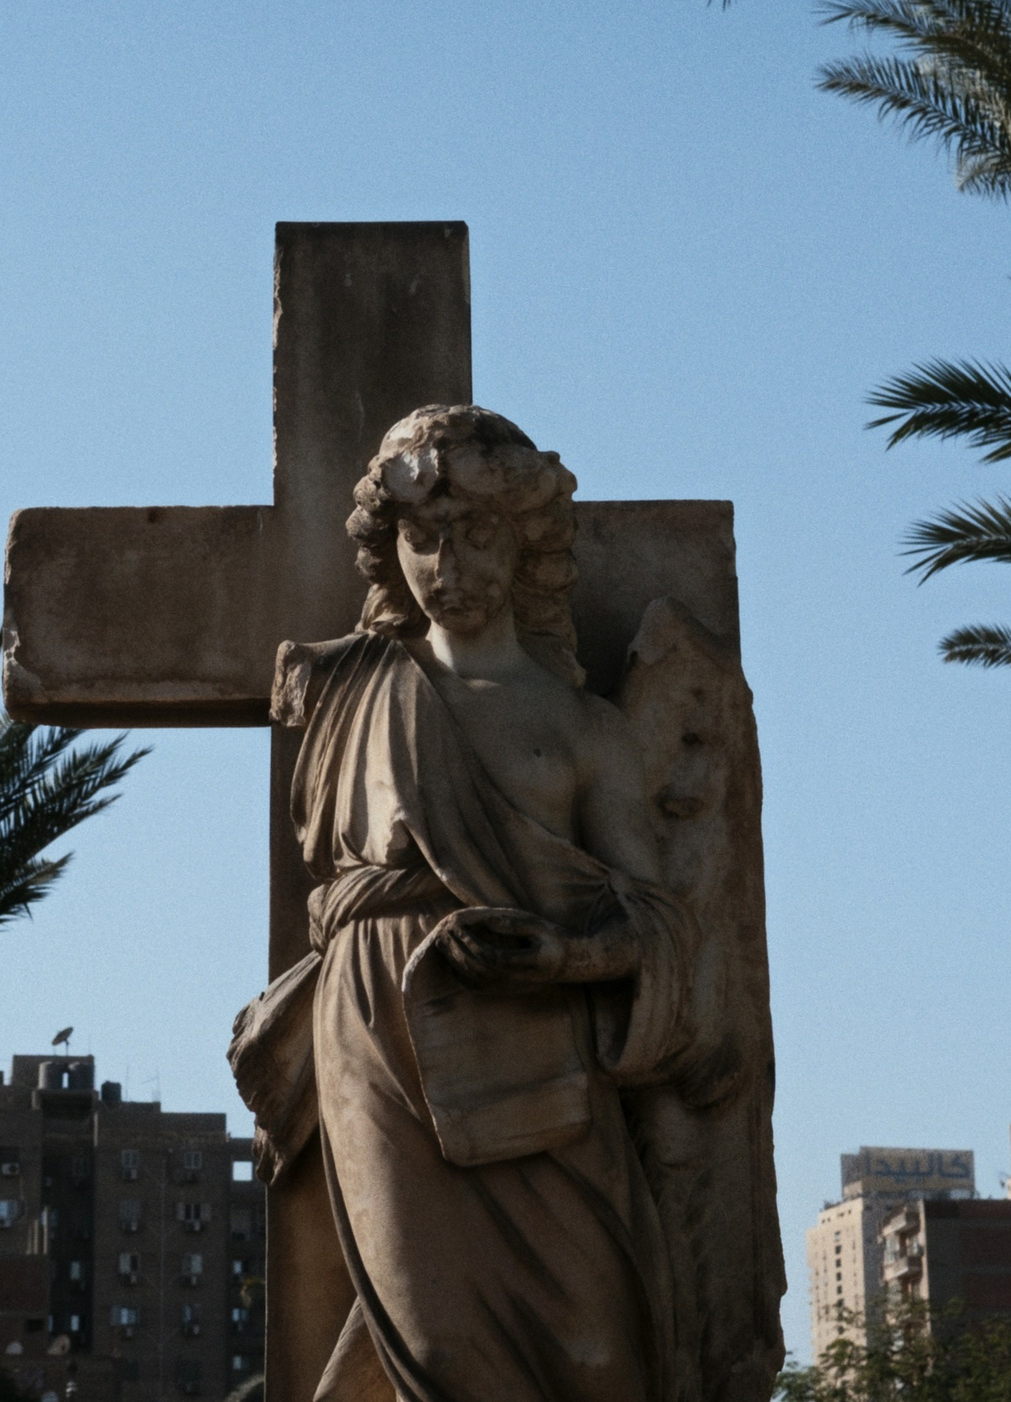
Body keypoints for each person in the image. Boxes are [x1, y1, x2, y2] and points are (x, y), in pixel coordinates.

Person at [232, 404, 698, 1402]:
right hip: (379, 1026)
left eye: (477, 530)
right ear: (392, 550)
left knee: (596, 1351)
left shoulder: (584, 728)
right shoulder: (341, 687)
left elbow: (658, 923)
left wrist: (561, 958)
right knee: (441, 1351)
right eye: (423, 535)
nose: (449, 559)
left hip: (540, 1041)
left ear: (524, 542)